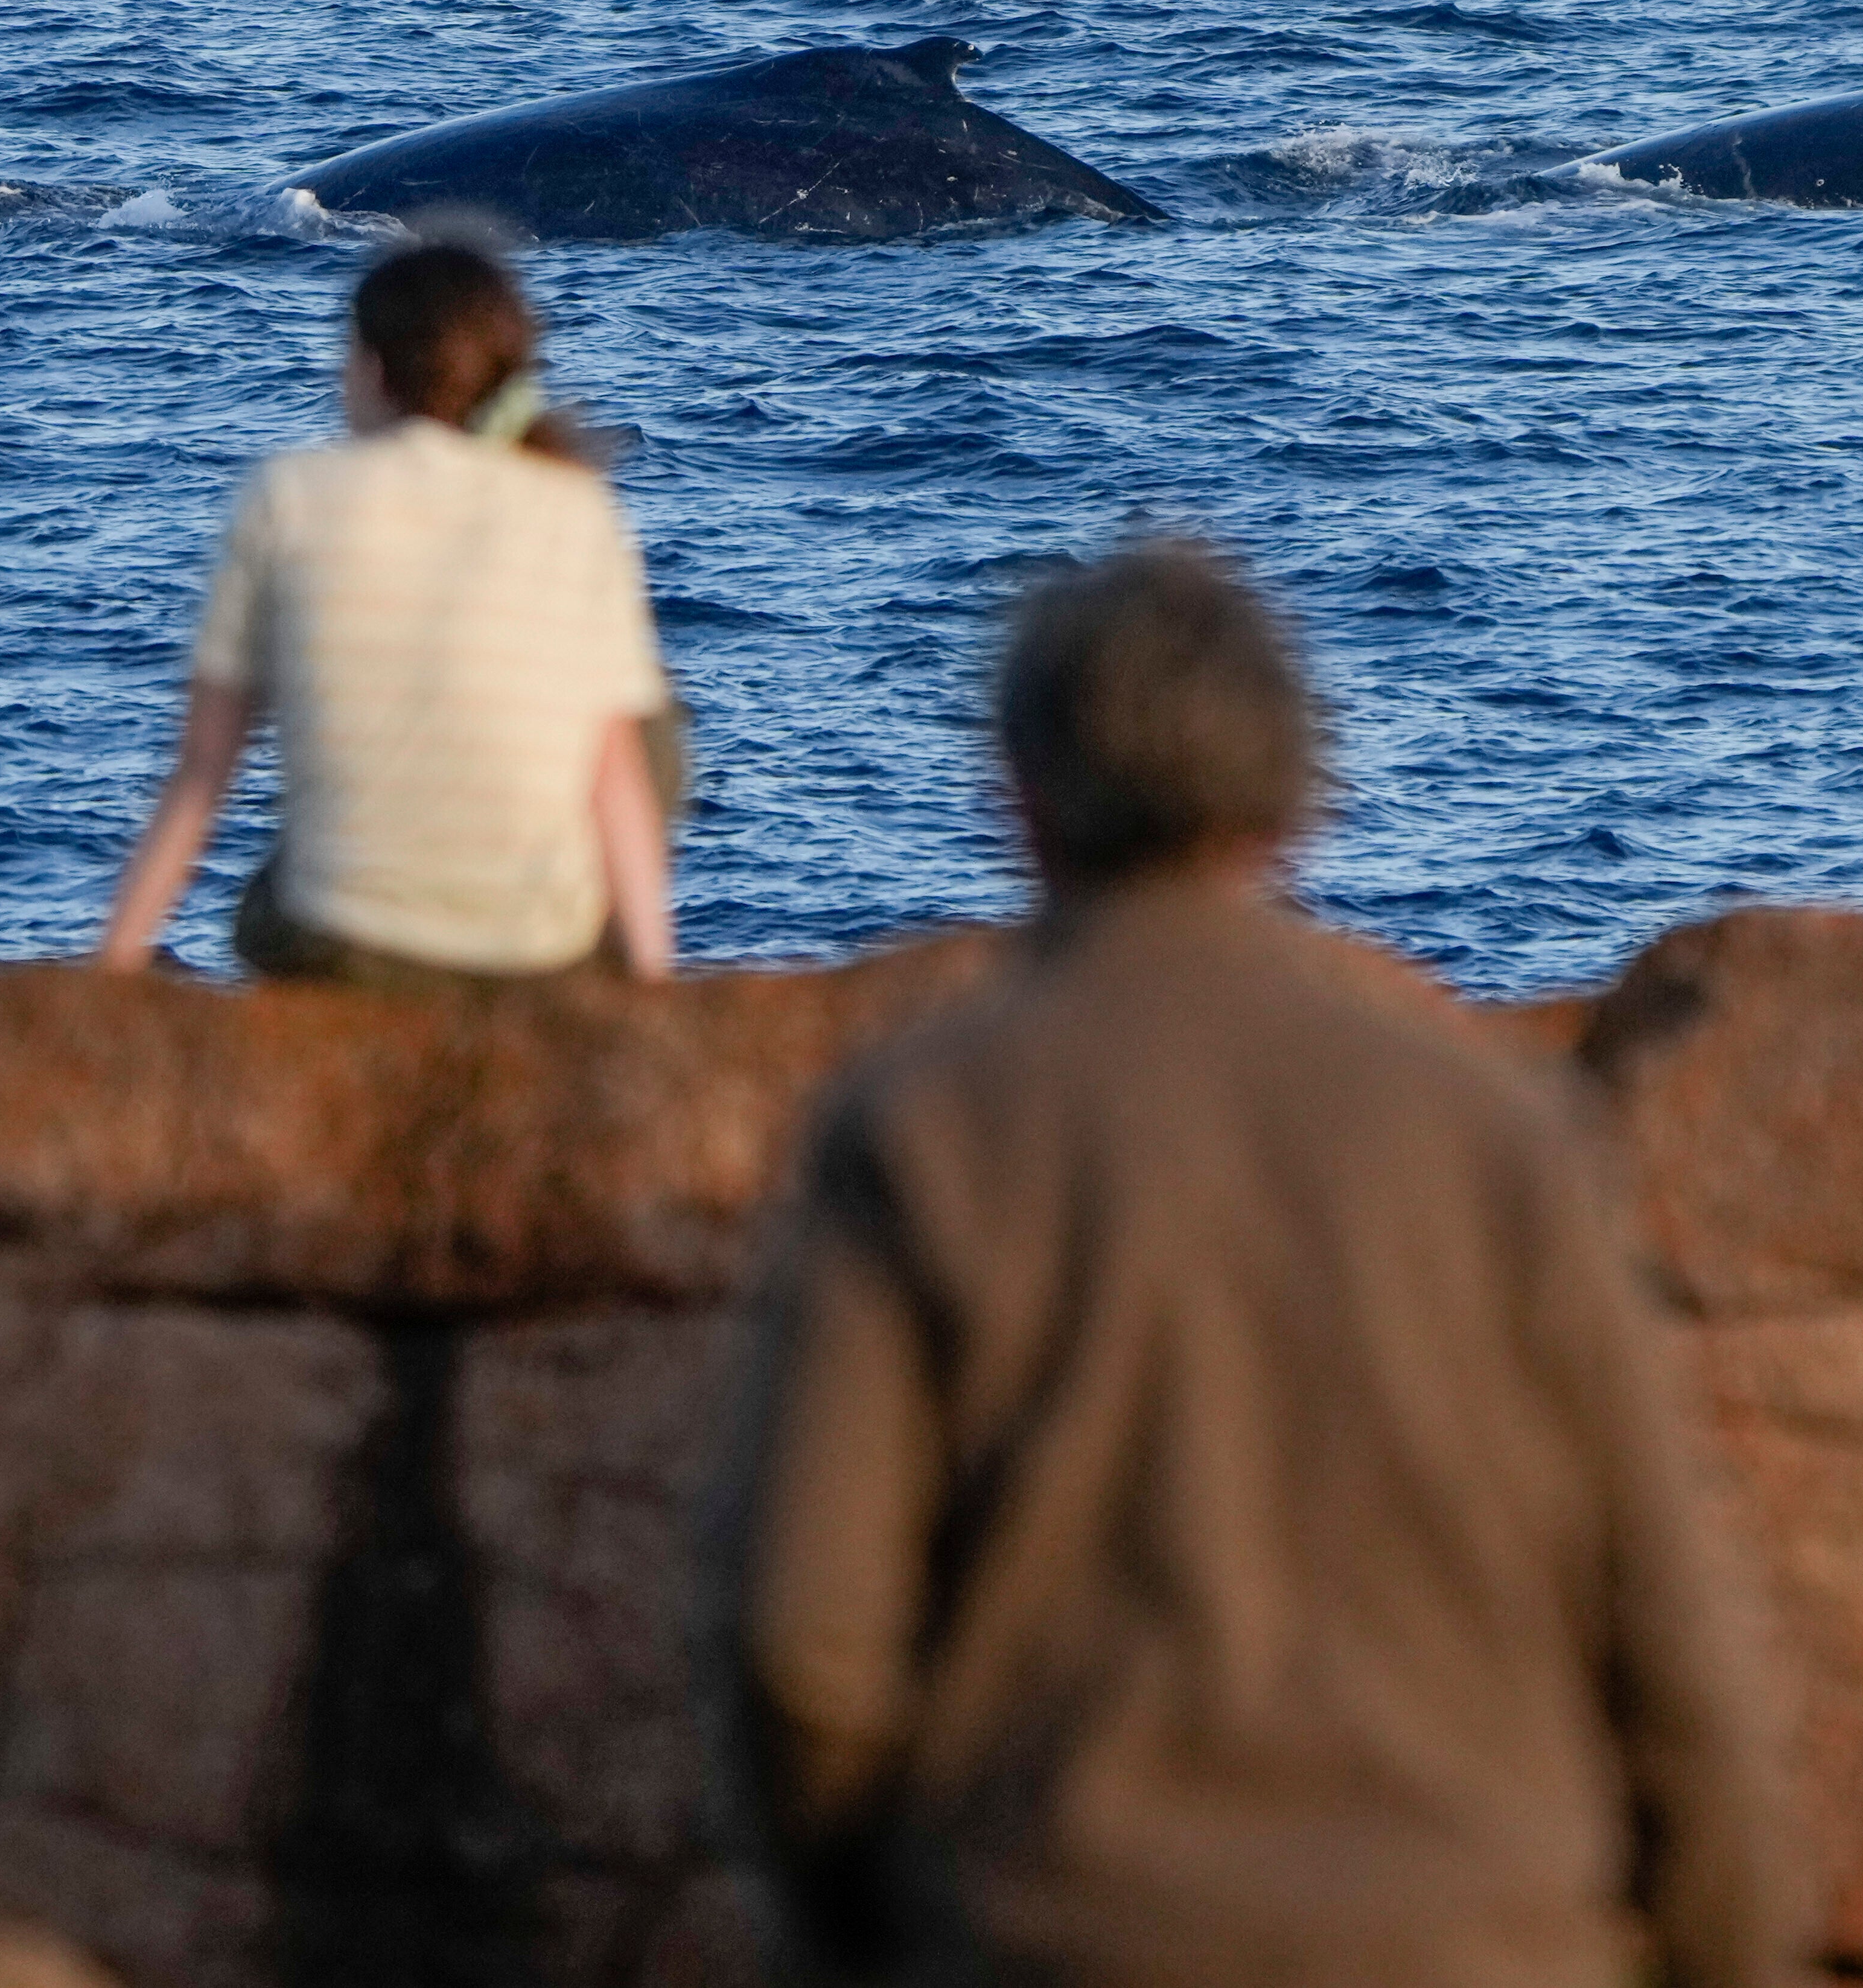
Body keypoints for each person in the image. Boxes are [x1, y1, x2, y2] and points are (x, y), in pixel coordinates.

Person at [716, 535, 1799, 1988]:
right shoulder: (1496, 1137)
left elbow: (803, 1647)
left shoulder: (924, 1128)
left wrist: (889, 1927)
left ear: (1020, 804)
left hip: (1069, 1934)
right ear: (1294, 806)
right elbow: (1673, 1652)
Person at [94, 240, 676, 987]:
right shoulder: (575, 509)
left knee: (285, 877)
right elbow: (615, 772)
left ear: (370, 368)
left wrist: (109, 970)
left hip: (343, 941)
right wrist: (654, 985)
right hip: (535, 946)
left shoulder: (289, 495)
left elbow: (205, 769)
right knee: (647, 721)